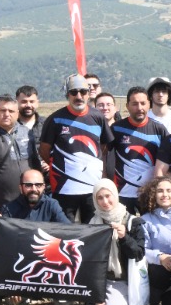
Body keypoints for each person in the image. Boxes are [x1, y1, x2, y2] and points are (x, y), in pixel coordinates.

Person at [38, 74, 115, 222]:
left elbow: (104, 147)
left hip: (92, 187)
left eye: (83, 92)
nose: (78, 96)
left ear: (88, 93)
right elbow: (44, 150)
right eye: (74, 92)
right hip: (64, 188)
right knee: (64, 231)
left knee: (92, 229)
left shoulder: (98, 117)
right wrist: (61, 166)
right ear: (67, 94)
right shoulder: (55, 119)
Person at [88, 179, 145, 305]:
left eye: (108, 196)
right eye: (99, 198)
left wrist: (124, 237)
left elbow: (138, 253)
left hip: (122, 279)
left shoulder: (132, 221)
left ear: (115, 195)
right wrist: (95, 290)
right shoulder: (92, 223)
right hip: (99, 278)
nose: (105, 201)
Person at [109, 86, 169, 213]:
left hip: (150, 194)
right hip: (123, 193)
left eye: (143, 103)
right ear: (127, 106)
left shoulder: (159, 129)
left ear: (149, 104)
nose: (139, 108)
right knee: (124, 231)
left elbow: (167, 161)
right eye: (135, 104)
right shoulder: (116, 129)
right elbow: (105, 157)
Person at [138, 175, 171, 305]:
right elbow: (142, 250)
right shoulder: (145, 220)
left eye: (169, 190)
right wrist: (160, 257)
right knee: (157, 268)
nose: (165, 194)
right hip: (157, 274)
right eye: (160, 191)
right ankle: (153, 299)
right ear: (153, 194)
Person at [0, 169, 69, 223]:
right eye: (28, 185)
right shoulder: (8, 208)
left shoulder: (51, 205)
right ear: (21, 188)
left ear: (43, 187)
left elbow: (67, 229)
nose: (34, 189)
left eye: (38, 185)